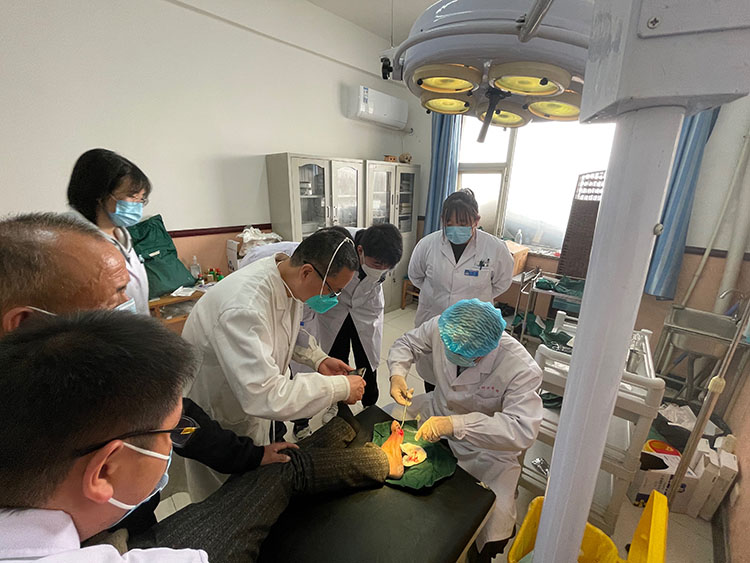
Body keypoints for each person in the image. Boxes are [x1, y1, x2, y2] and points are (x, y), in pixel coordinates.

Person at [0, 311, 404, 563]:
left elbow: (190, 428)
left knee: (273, 463)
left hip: (115, 532)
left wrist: (251, 455)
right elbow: (203, 422)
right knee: (283, 472)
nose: (173, 441)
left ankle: (344, 431)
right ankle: (379, 459)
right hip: (122, 539)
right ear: (105, 470)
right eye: (165, 436)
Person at [182, 228, 365, 500]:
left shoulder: (285, 278)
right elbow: (267, 394)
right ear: (307, 272)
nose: (333, 299)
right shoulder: (244, 308)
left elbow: (284, 330)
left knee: (255, 485)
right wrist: (340, 387)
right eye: (333, 290)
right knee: (226, 499)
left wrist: (318, 359)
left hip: (250, 404)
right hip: (221, 411)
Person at [388, 299, 543, 562]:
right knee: (390, 428)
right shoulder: (443, 326)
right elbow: (408, 343)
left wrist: (456, 424)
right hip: (435, 411)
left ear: (488, 349)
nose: (452, 356)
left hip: (485, 447)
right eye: (448, 348)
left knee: (495, 524)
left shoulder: (520, 368)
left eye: (466, 356)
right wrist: (397, 375)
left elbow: (521, 429)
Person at [408, 189, 515, 391]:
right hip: (434, 321)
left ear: (476, 220)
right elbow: (416, 276)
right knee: (433, 380)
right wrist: (438, 295)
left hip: (473, 329)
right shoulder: (427, 244)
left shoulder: (495, 248)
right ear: (442, 220)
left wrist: (472, 300)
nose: (456, 228)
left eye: (463, 223)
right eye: (450, 223)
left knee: (467, 384)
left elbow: (502, 283)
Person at [67, 148, 152, 314]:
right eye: (132, 196)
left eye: (141, 198)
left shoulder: (121, 235)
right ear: (100, 195)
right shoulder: (75, 243)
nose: (138, 204)